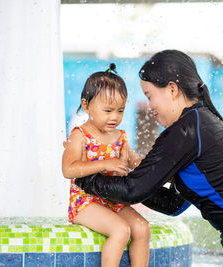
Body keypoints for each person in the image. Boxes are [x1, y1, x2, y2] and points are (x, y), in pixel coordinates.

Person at [75, 50, 223, 266]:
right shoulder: (199, 124)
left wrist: (83, 177)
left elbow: (132, 190)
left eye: (150, 96)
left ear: (172, 90)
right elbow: (172, 204)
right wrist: (132, 174)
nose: (151, 107)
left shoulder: (187, 129)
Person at [62, 63, 150, 267]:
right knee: (121, 230)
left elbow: (136, 163)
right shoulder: (79, 135)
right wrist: (105, 163)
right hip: (86, 203)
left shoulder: (120, 137)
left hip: (113, 200)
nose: (115, 117)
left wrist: (159, 168)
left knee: (142, 227)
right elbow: (68, 169)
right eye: (108, 110)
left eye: (120, 110)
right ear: (86, 105)